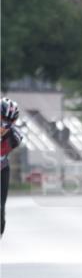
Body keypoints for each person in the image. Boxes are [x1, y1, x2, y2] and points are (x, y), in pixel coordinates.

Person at [1, 97, 23, 237]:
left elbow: (13, 143)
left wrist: (6, 133)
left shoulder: (14, 133)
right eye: (2, 117)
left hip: (1, 169)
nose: (4, 123)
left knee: (0, 206)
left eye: (10, 121)